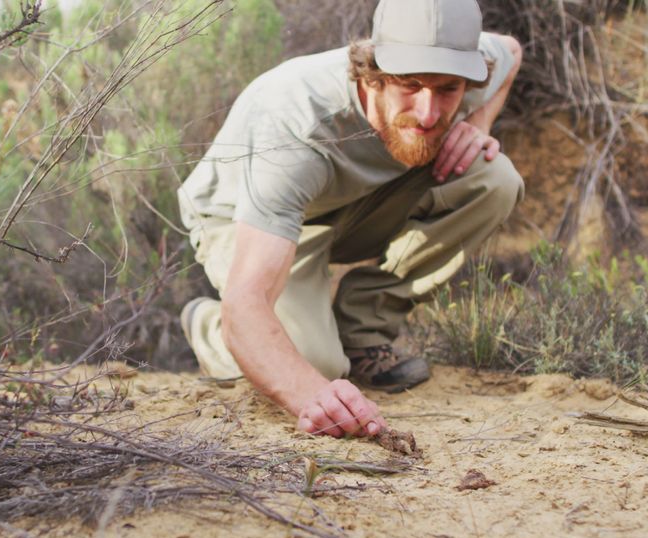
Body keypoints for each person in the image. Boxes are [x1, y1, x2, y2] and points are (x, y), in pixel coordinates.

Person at [177, 0, 524, 438]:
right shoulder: (296, 124)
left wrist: (479, 123)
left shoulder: (470, 65)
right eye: (409, 84)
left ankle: (363, 332)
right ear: (372, 73)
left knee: (495, 178)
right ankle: (211, 326)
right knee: (313, 365)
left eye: (447, 89)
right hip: (244, 218)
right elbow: (250, 300)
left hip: (353, 204)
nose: (428, 112)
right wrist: (310, 395)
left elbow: (511, 50)